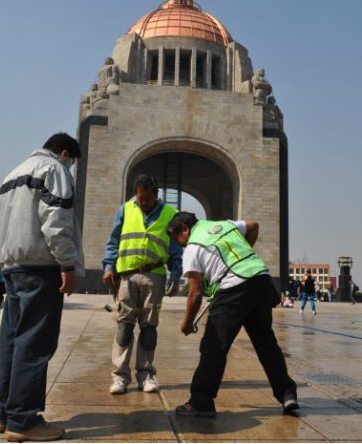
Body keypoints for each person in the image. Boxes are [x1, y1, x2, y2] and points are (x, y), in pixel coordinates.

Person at [0, 132, 85, 442]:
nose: (70, 168)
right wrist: (68, 264)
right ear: (63, 153)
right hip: (41, 268)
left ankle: (4, 414)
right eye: (71, 161)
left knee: (13, 342)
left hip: (12, 267)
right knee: (35, 343)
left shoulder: (13, 173)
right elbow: (55, 221)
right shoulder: (54, 170)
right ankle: (24, 420)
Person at [167, 212, 299, 418]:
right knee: (266, 343)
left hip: (233, 288)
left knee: (214, 346)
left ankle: (200, 401)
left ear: (185, 229)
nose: (180, 245)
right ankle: (287, 393)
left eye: (177, 239)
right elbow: (254, 224)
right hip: (262, 280)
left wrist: (187, 323)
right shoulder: (224, 224)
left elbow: (195, 293)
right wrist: (244, 259)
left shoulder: (192, 248)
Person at [101, 174, 182, 395]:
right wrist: (109, 267)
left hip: (154, 276)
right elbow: (113, 241)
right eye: (139, 198)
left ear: (156, 195)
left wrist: (176, 276)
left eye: (147, 198)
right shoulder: (126, 209)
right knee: (125, 326)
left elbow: (176, 249)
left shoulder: (170, 215)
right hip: (126, 276)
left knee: (149, 327)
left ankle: (146, 375)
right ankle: (119, 376)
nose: (143, 202)